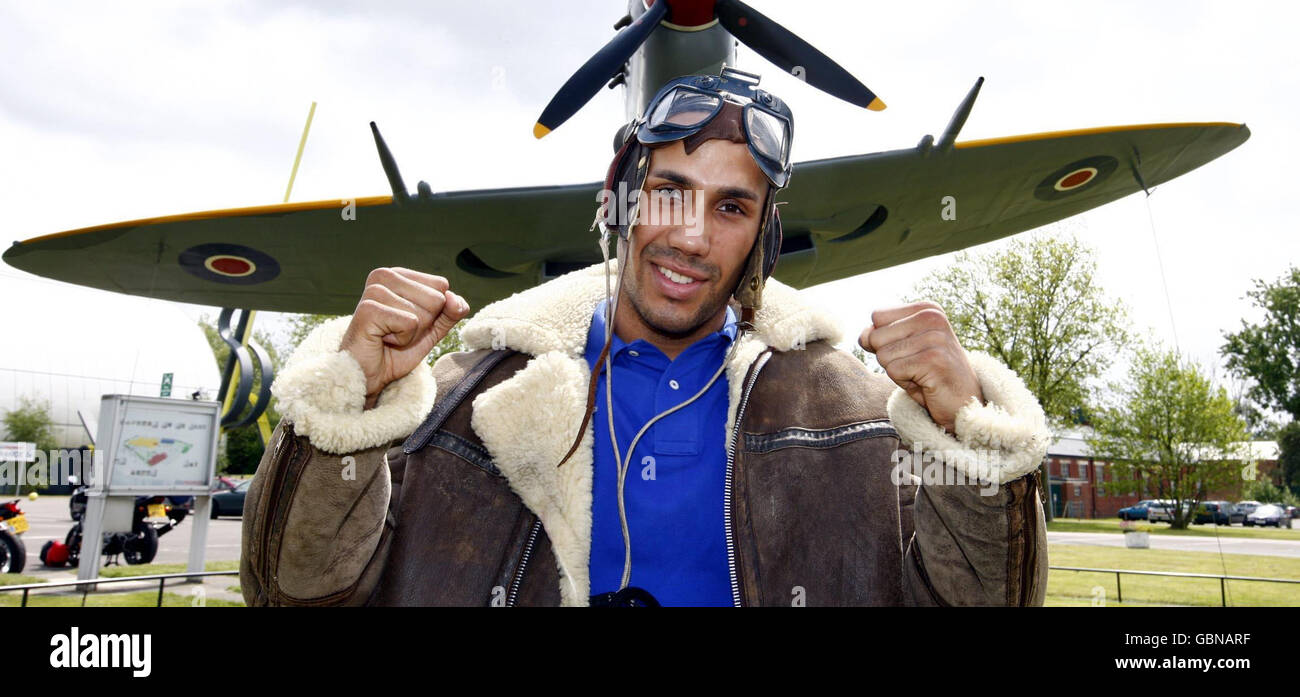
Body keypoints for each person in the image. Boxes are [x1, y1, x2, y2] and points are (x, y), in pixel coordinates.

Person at [240, 67, 1049, 607]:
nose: (693, 237)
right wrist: (351, 402)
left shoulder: (860, 413)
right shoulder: (461, 398)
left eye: (731, 207)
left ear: (764, 236)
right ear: (618, 201)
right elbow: (300, 594)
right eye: (668, 192)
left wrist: (964, 434)